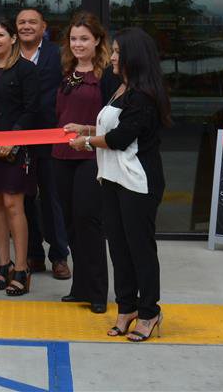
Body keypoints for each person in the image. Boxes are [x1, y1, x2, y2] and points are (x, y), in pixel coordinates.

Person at [68, 27, 169, 342]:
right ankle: (126, 308)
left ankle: (149, 311)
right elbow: (111, 124)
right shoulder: (121, 87)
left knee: (140, 248)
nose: (111, 57)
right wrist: (85, 127)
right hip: (111, 179)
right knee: (119, 248)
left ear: (133, 57)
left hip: (138, 181)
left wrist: (85, 142)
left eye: (116, 52)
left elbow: (120, 137)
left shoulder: (144, 95)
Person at [52, 12, 118, 313]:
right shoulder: (66, 70)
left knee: (88, 221)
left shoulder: (107, 76)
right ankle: (80, 287)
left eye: (84, 39)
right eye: (74, 39)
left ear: (97, 41)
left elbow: (114, 122)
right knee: (70, 224)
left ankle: (97, 291)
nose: (78, 44)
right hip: (61, 155)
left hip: (92, 155)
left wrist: (89, 134)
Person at [0, 15, 39, 297]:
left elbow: (32, 109)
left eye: (0, 35)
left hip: (17, 149)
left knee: (14, 204)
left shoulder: (25, 70)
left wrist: (13, 138)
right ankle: (4, 265)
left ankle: (22, 269)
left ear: (13, 39)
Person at [15, 8, 70, 280]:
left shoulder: (58, 55)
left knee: (52, 198)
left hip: (51, 138)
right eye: (22, 22)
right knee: (24, 198)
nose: (27, 26)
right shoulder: (9, 54)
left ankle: (59, 256)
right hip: (18, 138)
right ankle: (34, 255)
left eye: (32, 22)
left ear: (43, 27)